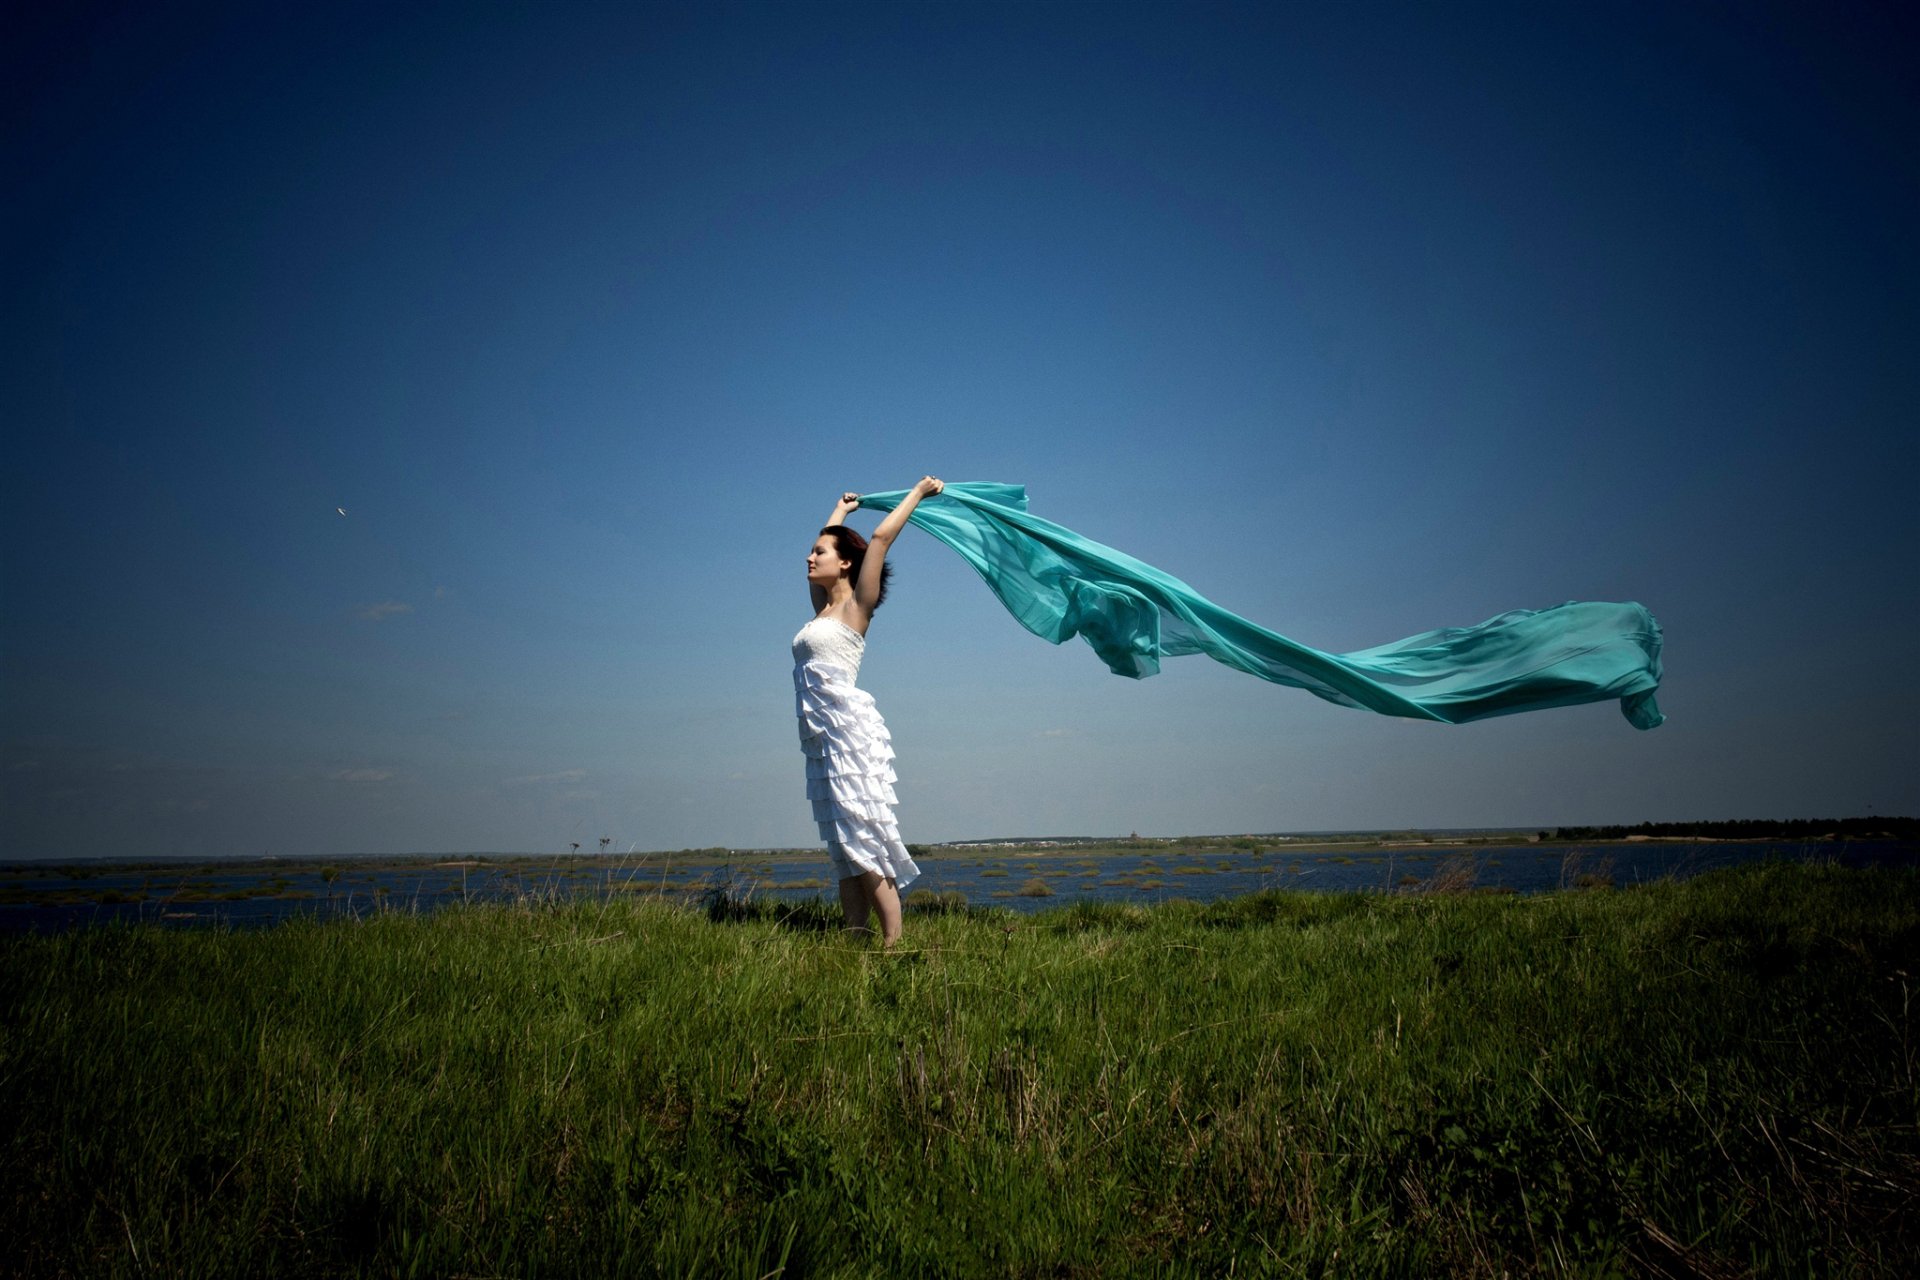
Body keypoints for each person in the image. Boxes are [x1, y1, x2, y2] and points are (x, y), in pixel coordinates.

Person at [794, 476, 943, 944]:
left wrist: (917, 494)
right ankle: (854, 942)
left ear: (845, 563)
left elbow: (879, 538)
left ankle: (894, 944)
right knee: (843, 850)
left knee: (863, 844)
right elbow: (834, 540)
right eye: (812, 550)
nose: (810, 556)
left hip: (848, 735)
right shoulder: (821, 609)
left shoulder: (859, 606)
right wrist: (839, 511)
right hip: (820, 739)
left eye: (820, 552)